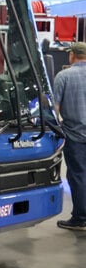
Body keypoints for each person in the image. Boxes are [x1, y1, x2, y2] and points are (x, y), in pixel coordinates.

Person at [53, 41, 86, 230]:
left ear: (72, 55)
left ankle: (81, 217)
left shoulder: (63, 76)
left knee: (78, 175)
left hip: (75, 135)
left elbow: (55, 110)